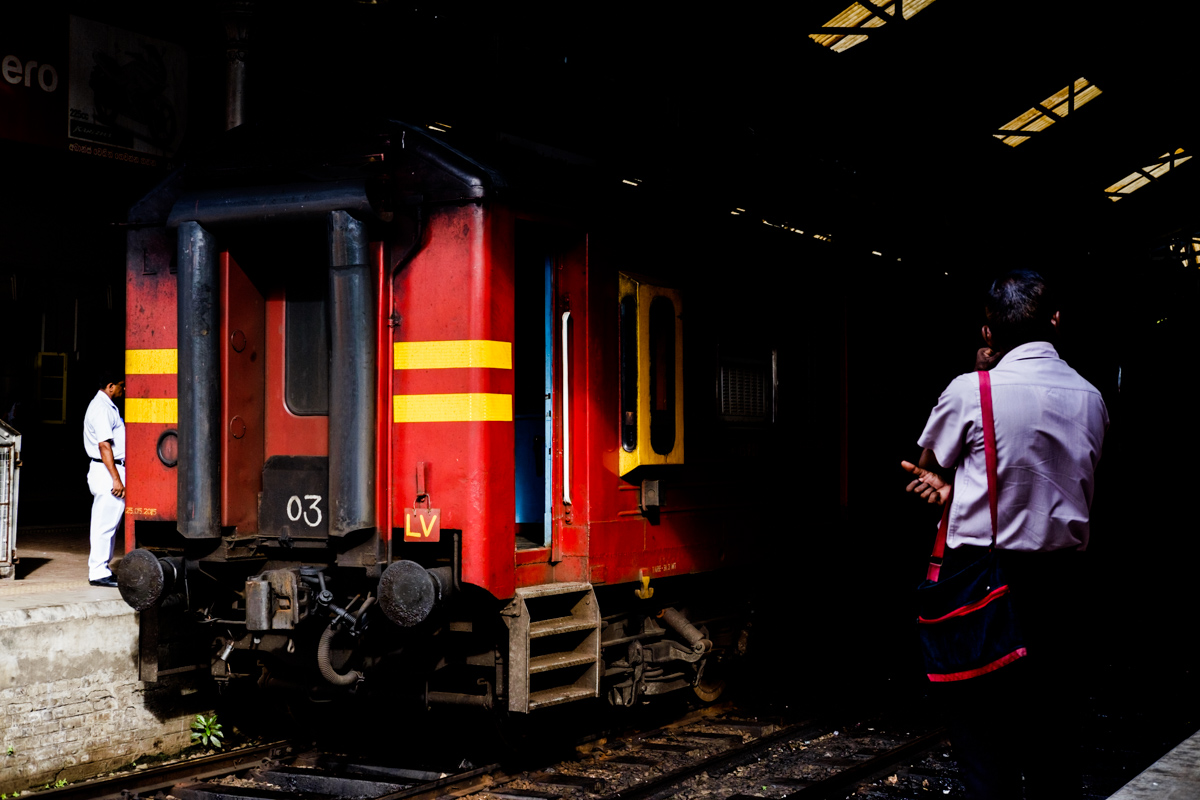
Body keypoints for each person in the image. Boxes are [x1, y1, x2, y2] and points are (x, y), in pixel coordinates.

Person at [900, 270, 1108, 800]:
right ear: (1056, 321)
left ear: (988, 332)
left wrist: (948, 488)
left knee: (984, 755)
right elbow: (1064, 484)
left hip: (984, 588)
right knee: (1055, 751)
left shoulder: (971, 391)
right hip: (1064, 592)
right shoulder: (1091, 398)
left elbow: (930, 463)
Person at [83, 371, 126, 588]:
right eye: (120, 385)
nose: (123, 389)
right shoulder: (101, 409)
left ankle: (103, 568)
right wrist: (116, 479)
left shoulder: (106, 406)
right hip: (107, 471)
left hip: (109, 470)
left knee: (109, 523)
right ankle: (98, 571)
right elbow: (104, 446)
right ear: (110, 386)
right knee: (104, 524)